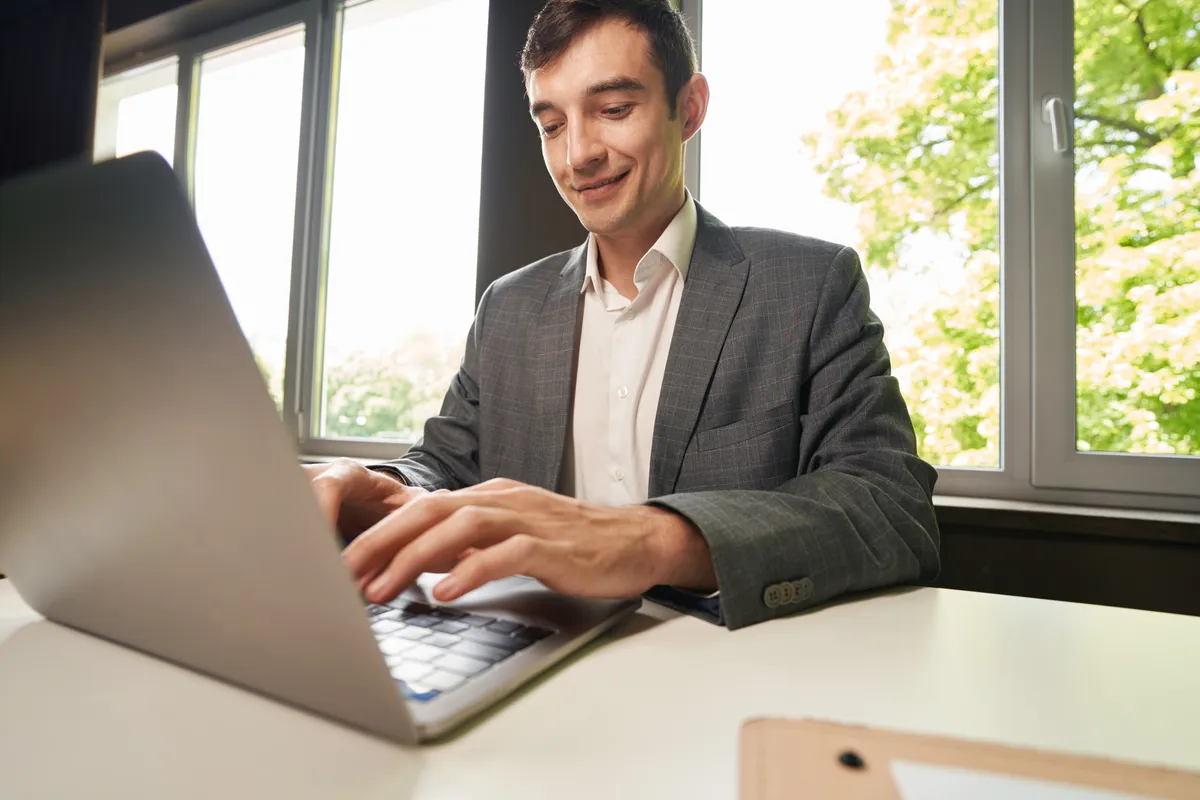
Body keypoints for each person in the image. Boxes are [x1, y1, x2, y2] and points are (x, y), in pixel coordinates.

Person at [306, 0, 940, 630]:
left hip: (722, 673)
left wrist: (647, 539)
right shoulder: (508, 307)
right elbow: (444, 466)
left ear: (689, 109)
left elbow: (888, 505)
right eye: (552, 124)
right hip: (525, 657)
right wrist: (383, 485)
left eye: (612, 110)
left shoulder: (808, 284)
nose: (578, 153)